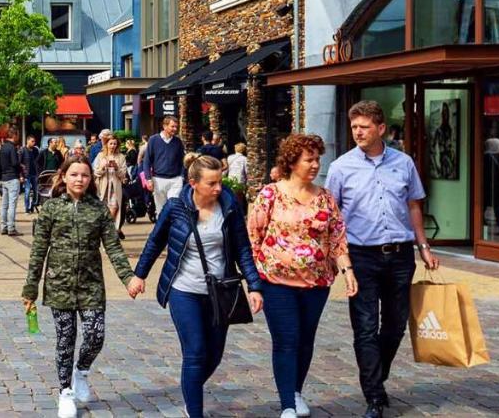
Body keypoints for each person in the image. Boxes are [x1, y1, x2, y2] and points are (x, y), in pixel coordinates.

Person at [326, 100, 439, 418]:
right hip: (361, 256)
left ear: (381, 129)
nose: (358, 132)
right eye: (353, 127)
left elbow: (414, 205)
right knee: (364, 328)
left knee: (395, 326)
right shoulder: (341, 168)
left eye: (363, 127)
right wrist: (340, 260)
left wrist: (424, 247)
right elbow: (333, 218)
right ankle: (374, 397)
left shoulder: (403, 163)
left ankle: (377, 376)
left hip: (401, 255)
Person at [130, 155, 263, 418]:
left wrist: (255, 286)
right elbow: (155, 242)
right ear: (193, 183)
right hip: (184, 290)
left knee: (213, 355)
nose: (218, 188)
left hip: (220, 292)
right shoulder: (175, 207)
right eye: (212, 183)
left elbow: (243, 250)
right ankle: (195, 412)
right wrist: (139, 275)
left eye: (220, 182)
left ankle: (190, 388)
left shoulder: (230, 207)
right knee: (195, 353)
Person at [249, 134, 358, 418]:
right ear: (292, 161)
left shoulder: (325, 198)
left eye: (317, 159)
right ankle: (287, 405)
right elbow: (253, 238)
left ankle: (296, 391)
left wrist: (347, 271)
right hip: (276, 283)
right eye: (308, 159)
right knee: (287, 339)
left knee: (305, 339)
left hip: (316, 284)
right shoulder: (270, 195)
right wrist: (254, 283)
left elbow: (337, 240)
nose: (314, 165)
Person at [23, 156, 136, 418]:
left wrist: (128, 278)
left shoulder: (97, 210)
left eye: (84, 175)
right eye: (74, 174)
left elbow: (114, 248)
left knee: (96, 334)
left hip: (91, 284)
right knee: (65, 340)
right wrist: (30, 289)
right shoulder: (51, 209)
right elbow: (38, 250)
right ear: (63, 176)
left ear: (90, 179)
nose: (79, 180)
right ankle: (65, 392)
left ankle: (81, 371)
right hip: (59, 284)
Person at [143, 116, 186, 214]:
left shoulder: (178, 142)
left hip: (175, 181)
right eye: (172, 126)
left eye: (176, 127)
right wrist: (148, 179)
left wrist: (182, 177)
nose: (175, 129)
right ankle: (162, 229)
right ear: (165, 126)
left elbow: (183, 161)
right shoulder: (153, 140)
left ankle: (172, 229)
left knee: (174, 207)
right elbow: (147, 161)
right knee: (161, 210)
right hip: (158, 180)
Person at [93, 135, 127, 240]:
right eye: (111, 143)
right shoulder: (100, 156)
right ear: (106, 144)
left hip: (115, 188)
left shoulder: (121, 157)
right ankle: (105, 232)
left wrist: (116, 168)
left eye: (115, 144)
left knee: (114, 209)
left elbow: (123, 174)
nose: (112, 146)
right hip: (103, 187)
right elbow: (96, 172)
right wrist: (103, 167)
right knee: (103, 211)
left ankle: (108, 232)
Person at [0, 134, 23, 236]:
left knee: (4, 205)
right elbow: (15, 163)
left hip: (4, 177)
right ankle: (11, 228)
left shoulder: (3, 147)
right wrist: (20, 168)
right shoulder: (12, 147)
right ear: (15, 135)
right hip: (12, 177)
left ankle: (3, 227)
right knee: (12, 205)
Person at [21, 136, 41, 213]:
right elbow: (19, 162)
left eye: (34, 141)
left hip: (35, 174)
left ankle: (32, 205)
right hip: (27, 174)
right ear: (27, 141)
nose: (34, 143)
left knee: (36, 191)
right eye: (32, 141)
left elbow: (38, 161)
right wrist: (22, 174)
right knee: (27, 191)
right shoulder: (23, 150)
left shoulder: (36, 150)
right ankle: (27, 208)